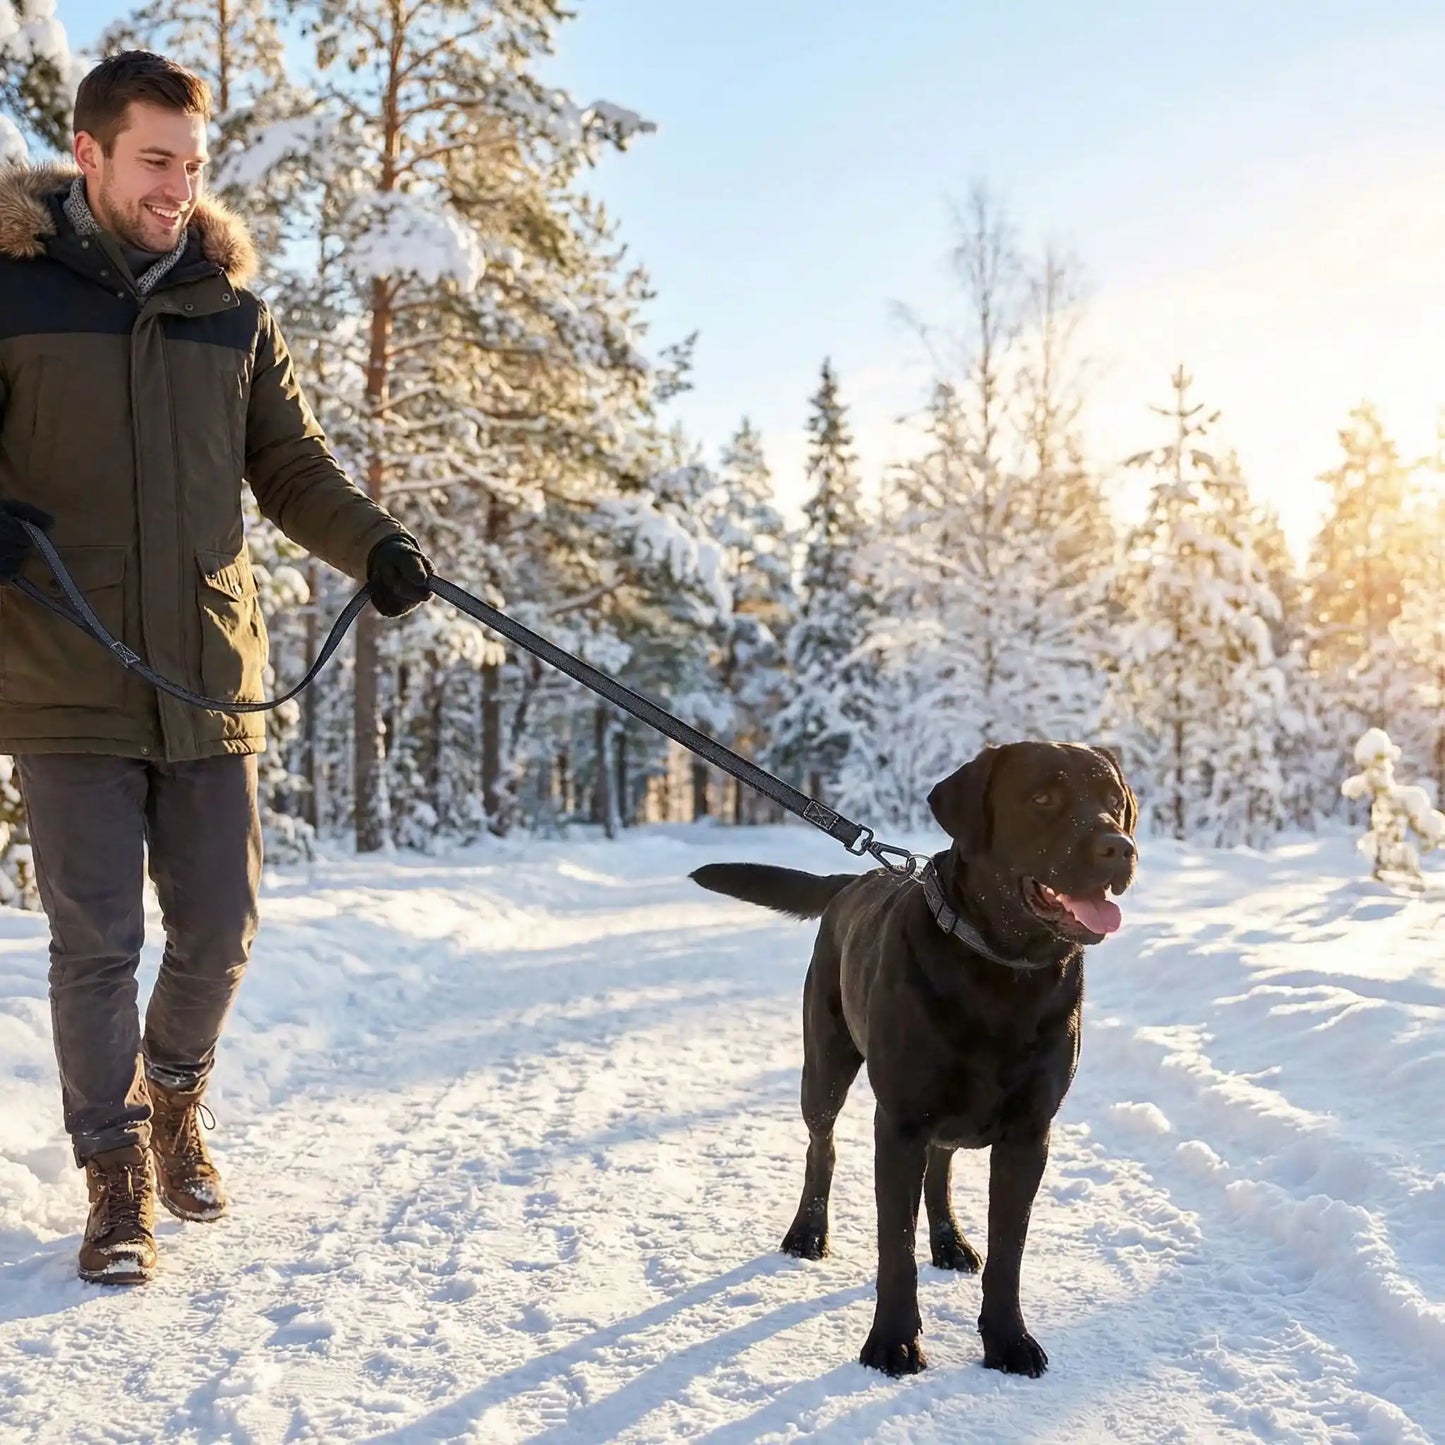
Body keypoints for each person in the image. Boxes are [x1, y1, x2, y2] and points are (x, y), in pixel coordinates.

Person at [0, 50, 433, 1285]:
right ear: (87, 154)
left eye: (192, 166)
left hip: (208, 669)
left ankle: (177, 1092)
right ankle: (114, 1171)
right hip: (64, 666)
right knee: (95, 940)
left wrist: (378, 546)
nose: (177, 189)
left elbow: (288, 466)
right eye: (155, 162)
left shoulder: (229, 307)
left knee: (222, 926)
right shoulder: (12, 290)